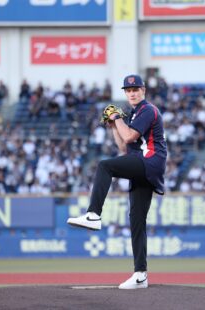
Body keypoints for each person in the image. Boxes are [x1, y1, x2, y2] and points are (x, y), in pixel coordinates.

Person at [67, 74, 167, 289]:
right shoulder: (133, 114)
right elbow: (123, 148)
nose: (132, 93)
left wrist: (117, 117)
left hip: (150, 161)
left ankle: (93, 214)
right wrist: (113, 124)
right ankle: (141, 275)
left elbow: (130, 137)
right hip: (144, 164)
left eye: (136, 89)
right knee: (136, 220)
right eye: (128, 90)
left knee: (105, 166)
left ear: (143, 91)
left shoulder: (147, 109)